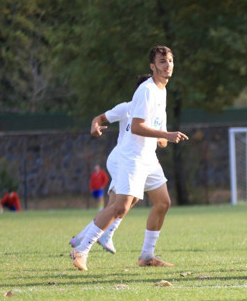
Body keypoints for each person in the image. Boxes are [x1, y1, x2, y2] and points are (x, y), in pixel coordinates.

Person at [69, 46, 189, 271]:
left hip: (148, 159)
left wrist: (165, 139)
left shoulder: (162, 91)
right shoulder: (146, 90)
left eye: (171, 60)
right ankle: (81, 250)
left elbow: (157, 132)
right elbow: (136, 127)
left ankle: (146, 256)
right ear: (152, 66)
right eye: (162, 61)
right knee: (120, 207)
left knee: (163, 202)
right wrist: (166, 135)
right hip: (131, 157)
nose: (168, 65)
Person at [77, 74, 152, 254]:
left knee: (122, 204)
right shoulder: (126, 107)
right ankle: (85, 246)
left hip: (139, 160)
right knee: (119, 206)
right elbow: (99, 118)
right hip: (123, 159)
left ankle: (83, 237)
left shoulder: (154, 110)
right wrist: (95, 126)